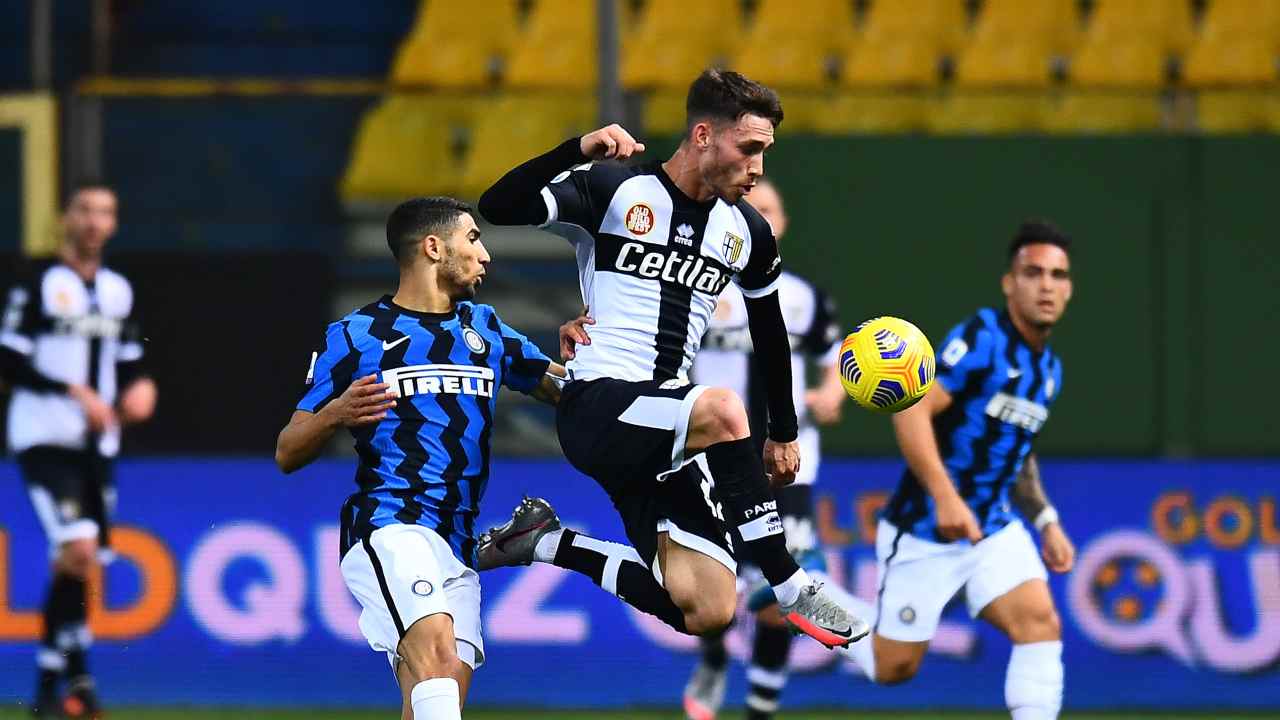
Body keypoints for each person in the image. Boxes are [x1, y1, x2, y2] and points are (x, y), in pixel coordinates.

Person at [474, 69, 865, 650]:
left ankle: (547, 542)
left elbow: (771, 332)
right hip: (598, 405)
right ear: (704, 135)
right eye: (749, 148)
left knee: (708, 608)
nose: (757, 168)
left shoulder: (748, 232)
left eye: (765, 153)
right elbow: (497, 206)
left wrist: (784, 433)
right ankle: (790, 583)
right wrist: (575, 149)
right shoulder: (614, 188)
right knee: (727, 411)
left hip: (665, 431)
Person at [561, 177, 848, 719]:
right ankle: (714, 659)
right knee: (717, 588)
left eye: (768, 208)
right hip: (699, 446)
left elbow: (834, 355)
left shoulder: (800, 298)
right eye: (749, 206)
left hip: (787, 462)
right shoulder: (694, 285)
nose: (756, 213)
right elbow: (651, 354)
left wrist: (832, 391)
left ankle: (760, 709)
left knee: (769, 601)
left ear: (777, 226)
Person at [274, 197, 565, 720]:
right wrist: (335, 413)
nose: (486, 256)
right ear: (434, 247)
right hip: (391, 526)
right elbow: (288, 451)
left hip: (459, 541)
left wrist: (593, 366)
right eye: (473, 238)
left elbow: (564, 392)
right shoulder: (355, 336)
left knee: (435, 694)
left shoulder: (487, 330)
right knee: (435, 660)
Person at [838, 220, 1077, 720]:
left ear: (1069, 287)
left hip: (992, 527)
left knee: (1040, 624)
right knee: (893, 667)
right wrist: (946, 497)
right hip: (925, 527)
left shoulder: (1048, 370)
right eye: (1033, 272)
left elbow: (1018, 449)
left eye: (1058, 275)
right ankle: (809, 595)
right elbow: (911, 408)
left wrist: (1046, 519)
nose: (1047, 285)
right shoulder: (982, 337)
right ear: (1010, 282)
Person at [0, 180, 158, 718]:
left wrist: (140, 386)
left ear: (113, 223)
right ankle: (78, 679)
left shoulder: (118, 289)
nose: (94, 221)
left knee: (77, 561)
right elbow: (9, 359)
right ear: (65, 217)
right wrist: (74, 391)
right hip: (45, 435)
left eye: (105, 212)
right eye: (85, 210)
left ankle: (54, 681)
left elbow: (130, 359)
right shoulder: (36, 282)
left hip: (99, 443)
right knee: (80, 549)